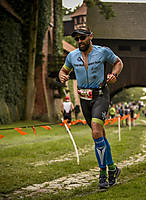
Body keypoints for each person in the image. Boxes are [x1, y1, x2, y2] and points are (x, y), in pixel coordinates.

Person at [59, 26, 123, 189]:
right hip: (84, 99)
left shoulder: (103, 52)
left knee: (95, 131)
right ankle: (113, 169)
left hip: (100, 95)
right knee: (99, 134)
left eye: (82, 38)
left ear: (91, 37)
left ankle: (102, 175)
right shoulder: (72, 56)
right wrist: (63, 76)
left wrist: (114, 75)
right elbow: (63, 71)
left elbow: (118, 62)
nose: (79, 41)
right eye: (77, 39)